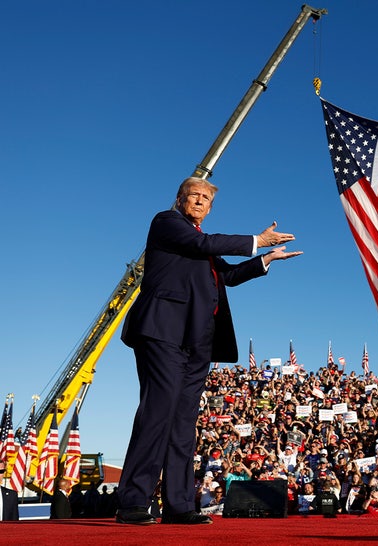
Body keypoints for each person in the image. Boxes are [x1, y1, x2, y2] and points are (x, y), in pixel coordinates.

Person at [115, 177, 302, 525]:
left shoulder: (204, 245)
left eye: (206, 198)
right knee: (158, 412)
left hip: (199, 341)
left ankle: (179, 504)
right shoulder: (168, 223)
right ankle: (133, 501)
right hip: (163, 331)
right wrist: (255, 240)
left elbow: (227, 276)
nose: (200, 201)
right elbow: (204, 243)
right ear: (179, 199)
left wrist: (264, 259)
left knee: (184, 422)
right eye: (194, 195)